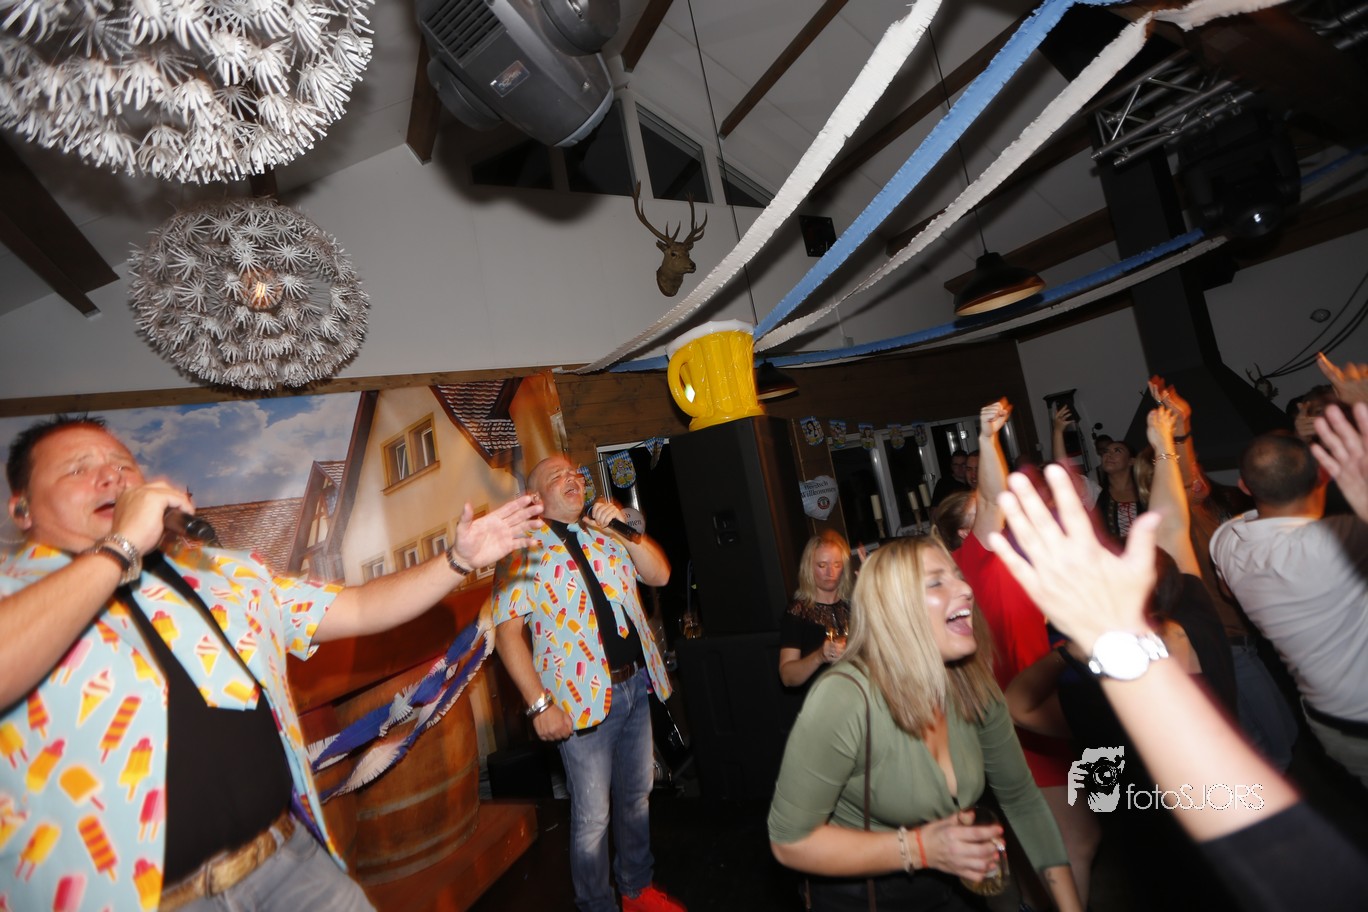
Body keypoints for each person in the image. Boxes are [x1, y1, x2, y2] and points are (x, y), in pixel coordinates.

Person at [0, 415, 544, 912]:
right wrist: (120, 547)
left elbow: (358, 607)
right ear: (20, 509)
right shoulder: (13, 597)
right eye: (78, 469)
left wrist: (458, 560)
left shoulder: (220, 573)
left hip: (289, 864)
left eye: (123, 465)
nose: (110, 478)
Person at [990, 462, 1368, 912]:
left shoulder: (1096, 700)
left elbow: (1019, 704)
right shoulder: (1200, 621)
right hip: (1238, 825)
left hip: (1163, 865)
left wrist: (1070, 650)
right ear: (1172, 590)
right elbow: (1172, 530)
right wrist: (1164, 448)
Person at [767, 536, 1083, 912]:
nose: (966, 589)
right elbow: (789, 841)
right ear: (895, 608)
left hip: (953, 889)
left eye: (958, 576)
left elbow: (1021, 799)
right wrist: (920, 849)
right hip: (863, 898)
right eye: (936, 582)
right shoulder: (845, 698)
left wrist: (1070, 907)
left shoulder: (975, 687)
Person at [491, 455, 684, 912]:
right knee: (593, 816)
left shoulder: (606, 534)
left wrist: (624, 530)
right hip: (579, 704)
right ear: (536, 498)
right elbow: (506, 634)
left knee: (637, 797)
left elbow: (660, 574)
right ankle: (597, 905)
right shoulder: (522, 551)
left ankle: (636, 889)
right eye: (557, 477)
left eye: (575, 473)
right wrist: (539, 706)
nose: (572, 479)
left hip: (635, 686)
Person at [1209, 429, 1368, 787]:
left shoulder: (1226, 539)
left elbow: (1227, 590)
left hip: (1325, 720)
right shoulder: (1335, 539)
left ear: (1244, 485)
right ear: (1321, 477)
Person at [779, 531, 854, 689]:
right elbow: (787, 677)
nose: (830, 573)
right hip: (822, 698)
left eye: (837, 565)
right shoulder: (798, 611)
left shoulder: (853, 605)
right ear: (809, 568)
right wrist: (819, 656)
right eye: (822, 565)